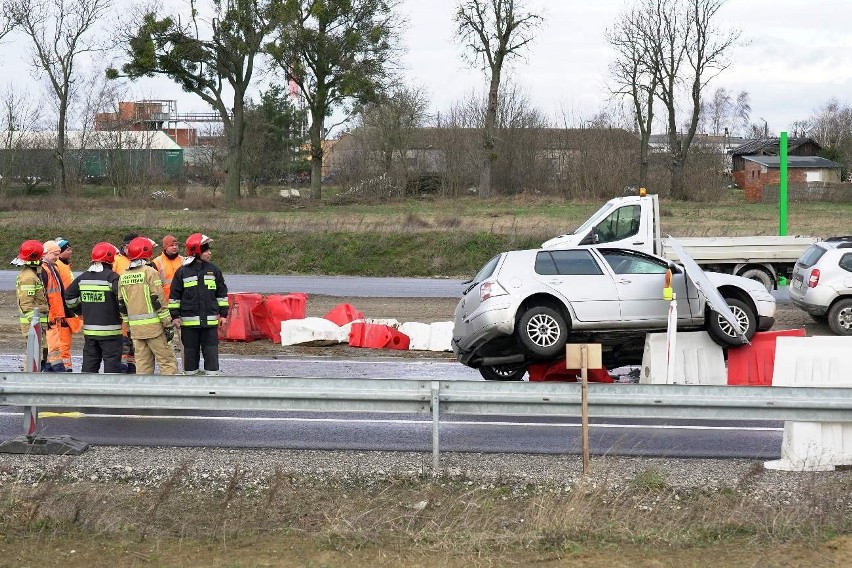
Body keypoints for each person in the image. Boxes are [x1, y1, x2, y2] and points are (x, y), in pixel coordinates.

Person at [169, 233, 228, 375]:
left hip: (209, 323)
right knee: (190, 353)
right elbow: (174, 296)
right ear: (196, 251)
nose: (209, 253)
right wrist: (175, 316)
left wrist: (224, 314)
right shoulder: (182, 272)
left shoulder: (214, 270)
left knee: (211, 352)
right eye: (206, 250)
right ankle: (191, 380)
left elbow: (221, 294)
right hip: (189, 325)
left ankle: (212, 380)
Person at [118, 237, 178, 375]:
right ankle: (170, 395)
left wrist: (128, 327)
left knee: (143, 366)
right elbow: (158, 300)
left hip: (136, 330)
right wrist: (167, 324)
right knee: (167, 363)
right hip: (154, 328)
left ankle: (144, 395)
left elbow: (122, 304)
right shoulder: (150, 272)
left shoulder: (124, 275)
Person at [64, 243, 124, 373]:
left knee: (89, 366)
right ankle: (109, 391)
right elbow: (123, 298)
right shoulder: (112, 277)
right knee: (111, 367)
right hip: (111, 333)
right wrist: (123, 314)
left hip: (90, 333)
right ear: (110, 259)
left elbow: (69, 297)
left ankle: (87, 391)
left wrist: (79, 311)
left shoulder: (83, 277)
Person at [13, 240, 49, 370]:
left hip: (38, 323)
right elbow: (26, 304)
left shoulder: (32, 273)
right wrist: (35, 324)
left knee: (40, 353)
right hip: (34, 324)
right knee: (34, 355)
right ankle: (28, 379)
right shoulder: (29, 277)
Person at [41, 240, 75, 371]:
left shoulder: (53, 268)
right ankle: (58, 372)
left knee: (56, 348)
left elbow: (60, 293)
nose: (57, 257)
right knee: (54, 349)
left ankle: (53, 372)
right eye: (55, 254)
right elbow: (45, 296)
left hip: (57, 315)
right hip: (51, 317)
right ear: (46, 253)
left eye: (58, 254)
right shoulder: (45, 270)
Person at [113, 233, 138, 373]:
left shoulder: (140, 261)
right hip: (121, 313)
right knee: (123, 345)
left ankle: (131, 367)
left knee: (134, 348)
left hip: (136, 312)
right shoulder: (116, 260)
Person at [152, 235, 183, 303]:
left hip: (182, 300)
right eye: (171, 245)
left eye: (176, 245)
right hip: (165, 301)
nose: (174, 247)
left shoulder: (183, 261)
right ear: (165, 247)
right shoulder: (156, 262)